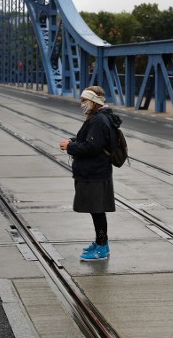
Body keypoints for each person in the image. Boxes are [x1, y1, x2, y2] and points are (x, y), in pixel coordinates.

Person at [58, 85, 121, 261]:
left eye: (84, 100)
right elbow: (90, 140)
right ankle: (102, 242)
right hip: (96, 171)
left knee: (97, 211)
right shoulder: (98, 117)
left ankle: (101, 247)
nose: (82, 104)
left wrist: (70, 146)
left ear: (94, 102)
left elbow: (93, 147)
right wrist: (73, 141)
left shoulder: (99, 120)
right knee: (96, 211)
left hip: (95, 173)